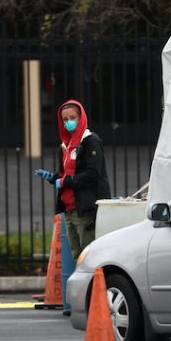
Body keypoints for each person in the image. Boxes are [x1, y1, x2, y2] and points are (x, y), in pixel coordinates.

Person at [34, 99, 111, 259]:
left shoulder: (90, 142)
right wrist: (52, 177)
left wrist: (64, 182)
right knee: (78, 256)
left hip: (85, 210)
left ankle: (95, 284)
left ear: (81, 117)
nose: (69, 122)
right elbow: (67, 173)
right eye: (65, 120)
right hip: (69, 210)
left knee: (90, 256)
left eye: (72, 118)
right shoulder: (65, 146)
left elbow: (92, 174)